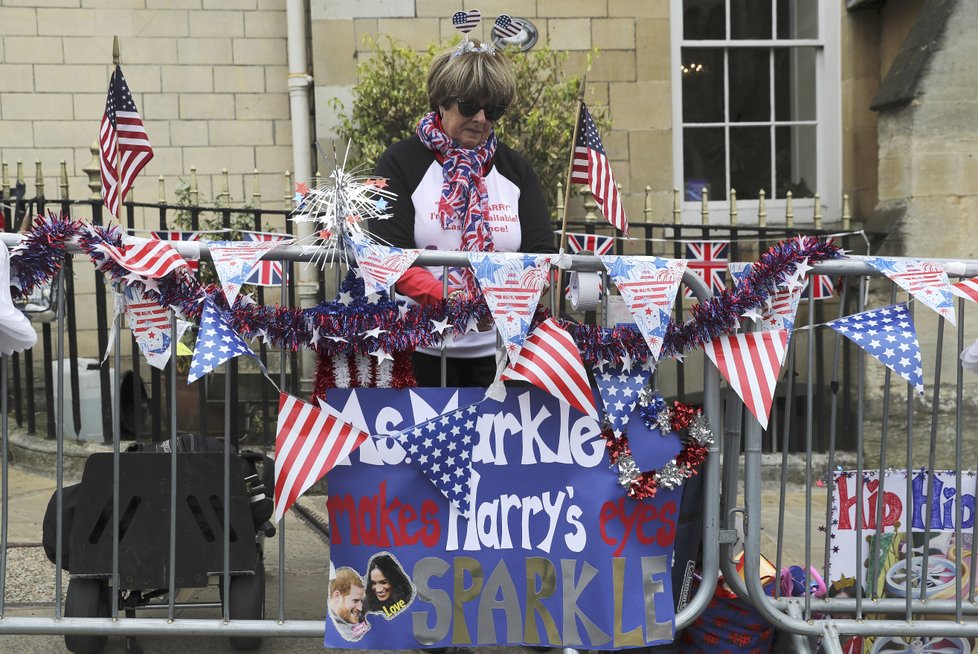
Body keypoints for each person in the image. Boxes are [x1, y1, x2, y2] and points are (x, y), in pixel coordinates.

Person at [370, 39, 556, 388]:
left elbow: (541, 256)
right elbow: (389, 255)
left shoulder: (516, 169)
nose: (481, 119)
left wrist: (500, 300)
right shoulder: (400, 162)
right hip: (421, 349)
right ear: (441, 101)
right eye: (469, 106)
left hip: (501, 351)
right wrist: (451, 301)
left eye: (494, 110)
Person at [363, 553, 416, 619]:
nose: (378, 589)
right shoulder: (365, 605)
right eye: (373, 583)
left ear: (395, 581)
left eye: (383, 582)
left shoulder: (406, 598)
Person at [328, 567, 370, 642]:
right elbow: (351, 635)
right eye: (355, 601)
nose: (360, 608)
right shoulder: (340, 628)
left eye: (361, 601)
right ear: (337, 596)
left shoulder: (347, 614)